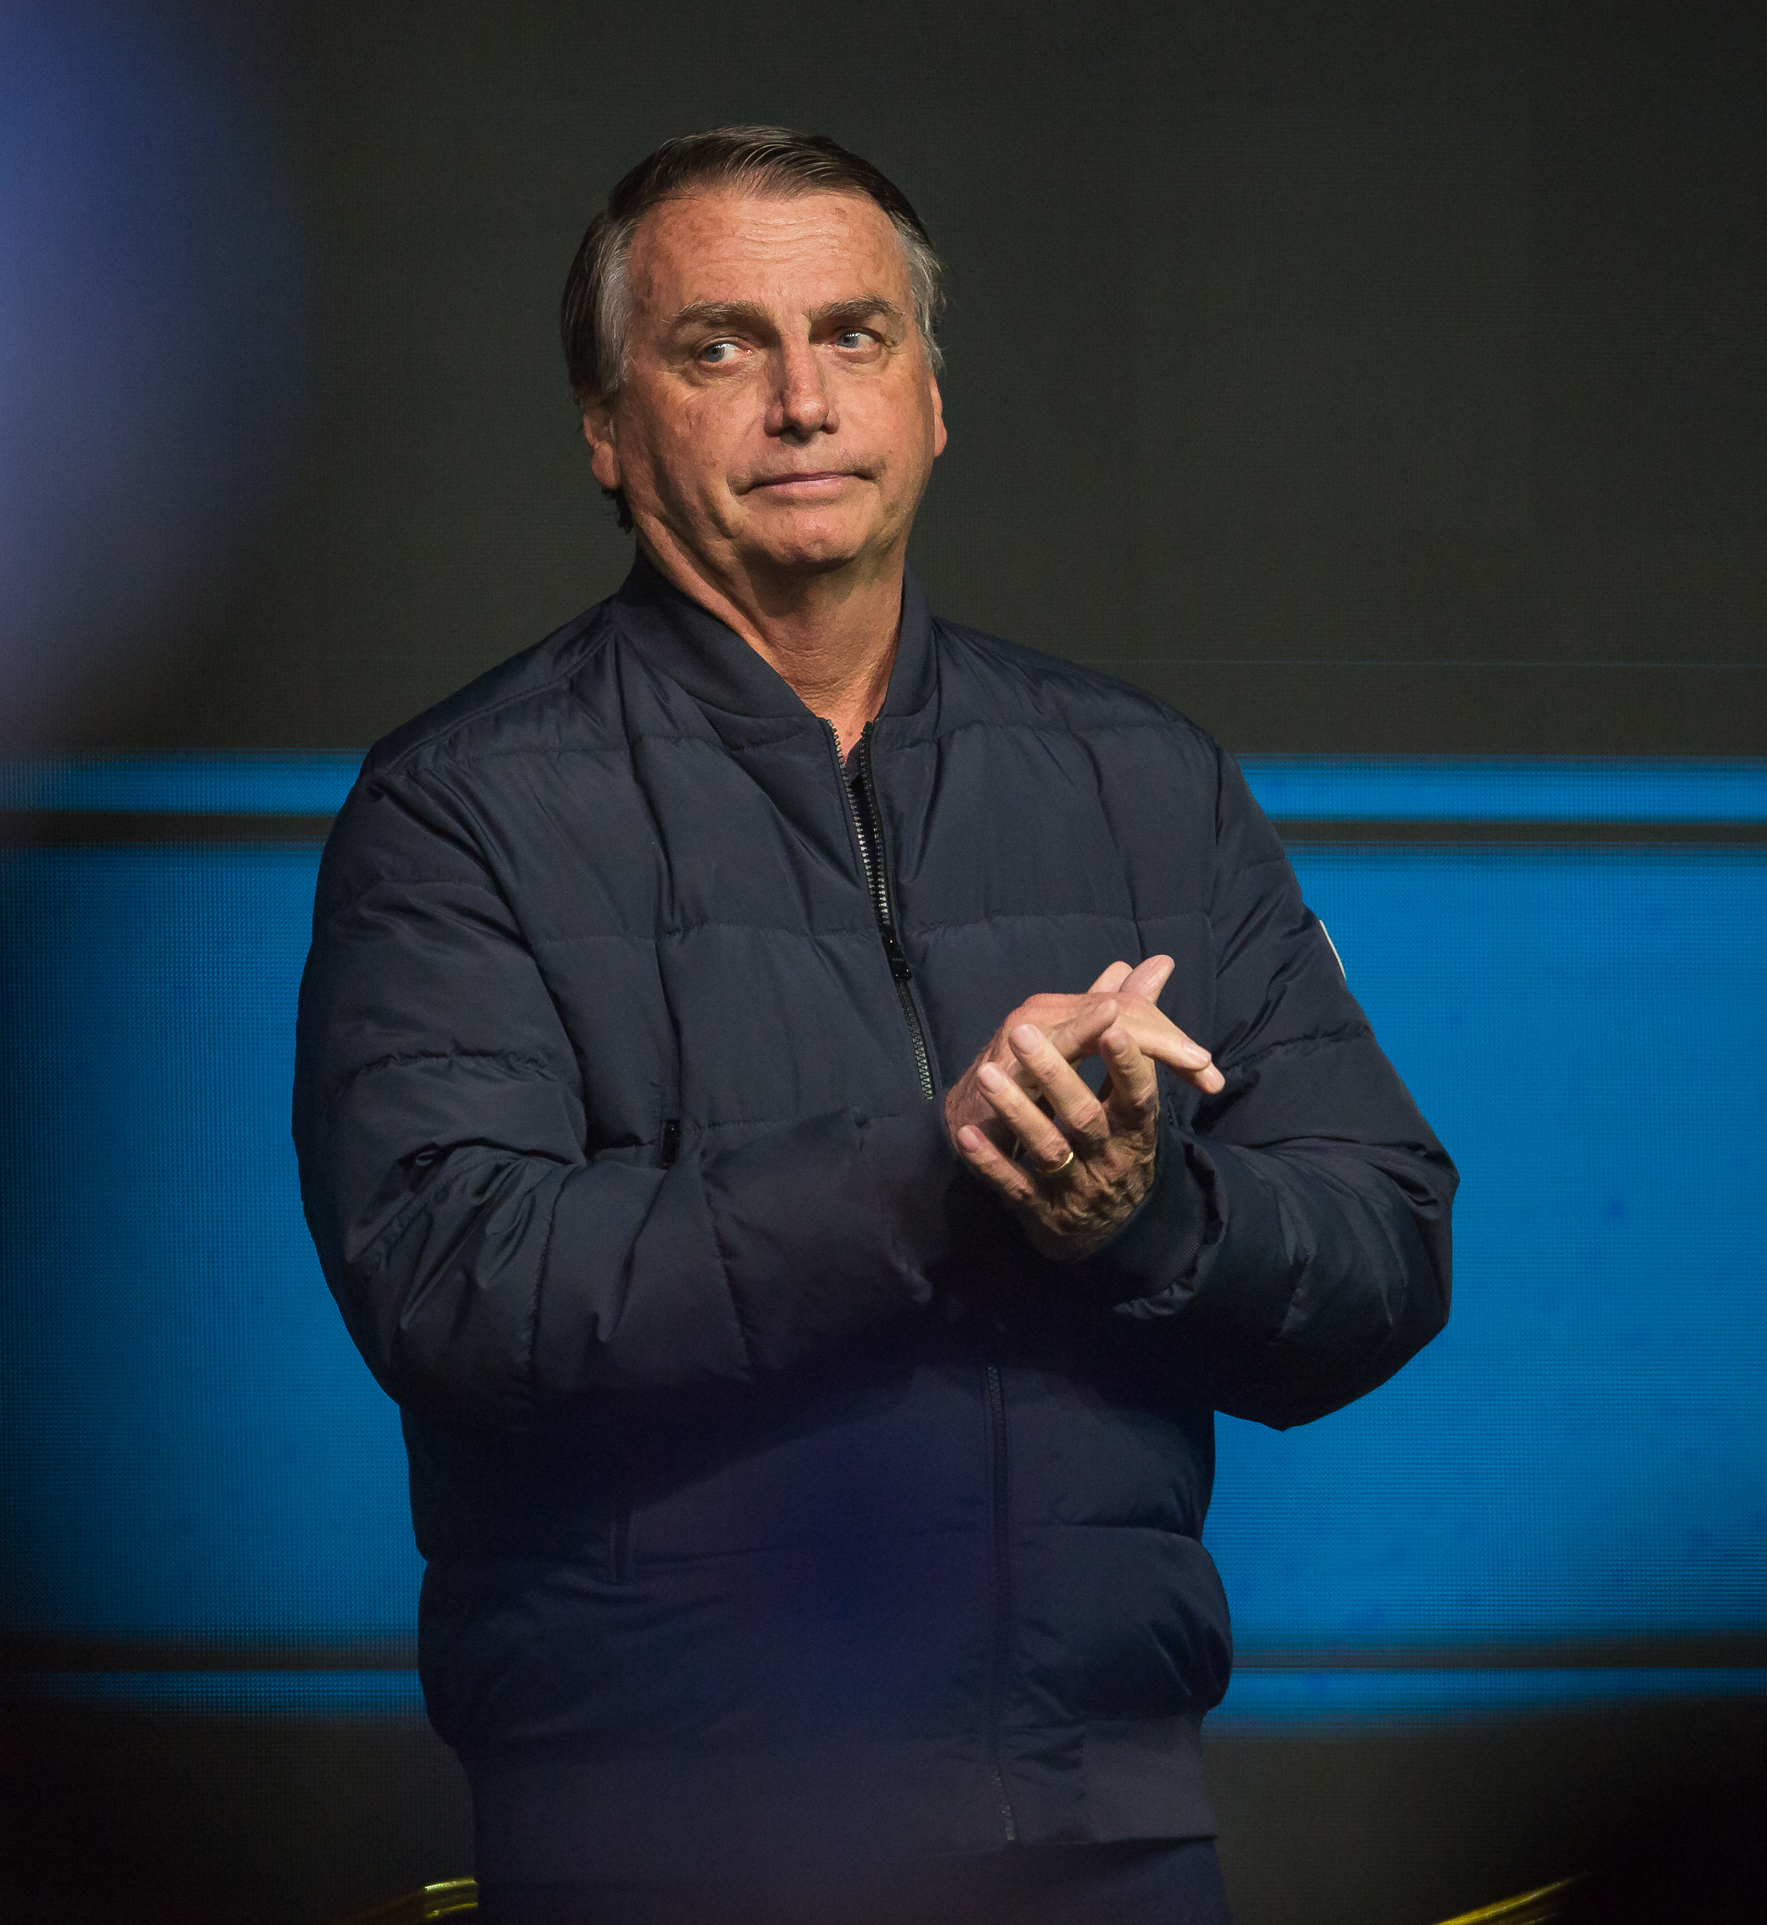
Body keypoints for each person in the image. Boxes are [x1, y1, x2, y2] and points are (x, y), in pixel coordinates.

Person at [292, 127, 1453, 1924]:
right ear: (604, 429)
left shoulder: (1145, 780)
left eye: (851, 336)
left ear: (928, 402)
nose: (798, 398)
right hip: (663, 1836)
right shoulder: (456, 808)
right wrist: (948, 1169)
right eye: (717, 346)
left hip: (1103, 1831)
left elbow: (1384, 1237)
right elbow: (461, 1275)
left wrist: (1140, 1211)